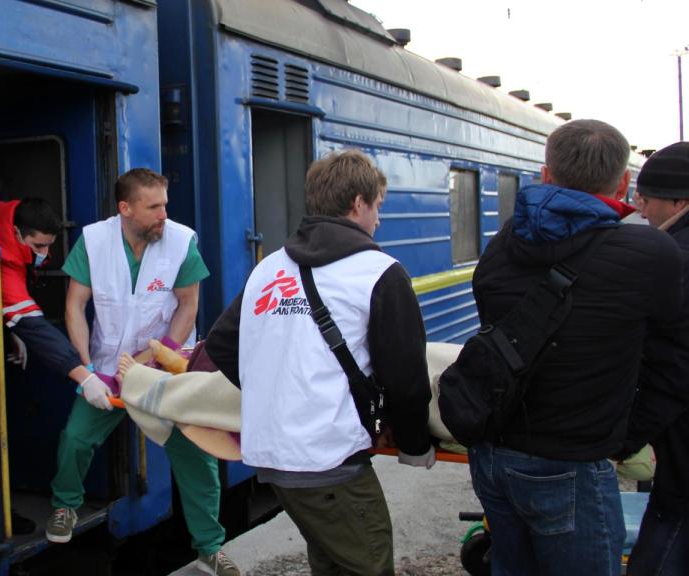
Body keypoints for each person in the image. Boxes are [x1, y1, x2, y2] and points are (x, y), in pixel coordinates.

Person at [466, 120, 685, 574]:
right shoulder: (652, 254)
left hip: (492, 452)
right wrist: (626, 438)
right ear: (623, 183)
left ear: (546, 175)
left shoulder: (503, 245)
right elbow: (672, 359)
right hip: (573, 458)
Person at [206, 149, 434, 576]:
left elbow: (220, 344)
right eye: (377, 206)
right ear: (358, 204)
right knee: (368, 563)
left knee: (330, 558)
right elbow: (406, 378)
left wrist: (276, 396)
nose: (379, 220)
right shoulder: (379, 272)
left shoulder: (270, 268)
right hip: (329, 460)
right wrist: (415, 445)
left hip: (272, 456)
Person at [46, 168, 238, 576]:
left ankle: (209, 548)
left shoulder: (181, 241)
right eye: (153, 207)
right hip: (107, 367)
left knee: (196, 454)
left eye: (164, 204)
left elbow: (188, 306)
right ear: (125, 208)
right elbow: (74, 306)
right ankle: (66, 505)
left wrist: (156, 357)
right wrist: (86, 370)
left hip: (164, 370)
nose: (163, 214)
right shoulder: (94, 241)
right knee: (76, 438)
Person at [0, 197, 96, 536]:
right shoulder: (4, 256)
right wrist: (84, 376)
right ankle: (0, 513)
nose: (44, 254)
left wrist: (9, 329)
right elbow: (35, 327)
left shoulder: (9, 219)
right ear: (17, 233)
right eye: (38, 246)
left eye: (49, 245)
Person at [622, 141, 689, 575]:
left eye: (647, 200)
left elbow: (674, 370)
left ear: (680, 202)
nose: (641, 210)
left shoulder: (678, 261)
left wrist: (623, 439)